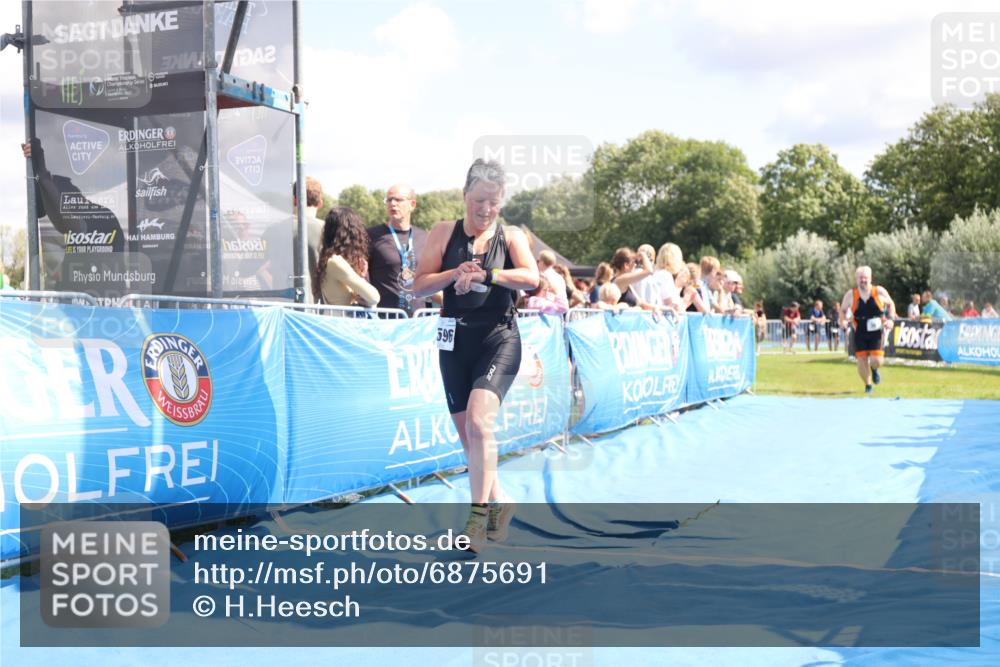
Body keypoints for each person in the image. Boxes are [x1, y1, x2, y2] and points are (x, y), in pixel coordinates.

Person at [412, 159, 538, 553]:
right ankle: (501, 501)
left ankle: (477, 519)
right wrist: (453, 274)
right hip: (454, 342)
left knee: (480, 423)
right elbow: (419, 286)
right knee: (470, 439)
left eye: (494, 201)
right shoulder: (443, 232)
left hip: (499, 338)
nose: (486, 209)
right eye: (479, 200)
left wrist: (488, 275)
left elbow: (532, 278)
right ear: (465, 195)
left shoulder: (510, 236)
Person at [368, 184, 431, 314]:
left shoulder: (425, 237)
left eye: (398, 199)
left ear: (412, 204)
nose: (393, 204)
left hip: (419, 319)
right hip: (384, 319)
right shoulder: (372, 235)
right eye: (389, 200)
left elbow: (430, 278)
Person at [839, 266, 897, 394]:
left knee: (877, 360)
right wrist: (842, 321)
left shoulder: (879, 291)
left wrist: (891, 319)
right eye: (860, 278)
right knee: (861, 359)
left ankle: (874, 369)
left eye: (865, 278)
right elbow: (842, 310)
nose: (863, 280)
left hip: (876, 331)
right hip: (859, 330)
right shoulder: (851, 294)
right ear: (856, 279)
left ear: (870, 278)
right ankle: (868, 385)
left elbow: (891, 304)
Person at [312, 207, 380, 307]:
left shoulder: (330, 260)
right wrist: (362, 278)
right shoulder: (335, 262)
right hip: (343, 317)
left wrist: (361, 276)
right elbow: (374, 297)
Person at [294, 177, 326, 304]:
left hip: (282, 308)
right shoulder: (329, 230)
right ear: (320, 203)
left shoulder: (275, 230)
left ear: (294, 200)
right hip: (319, 308)